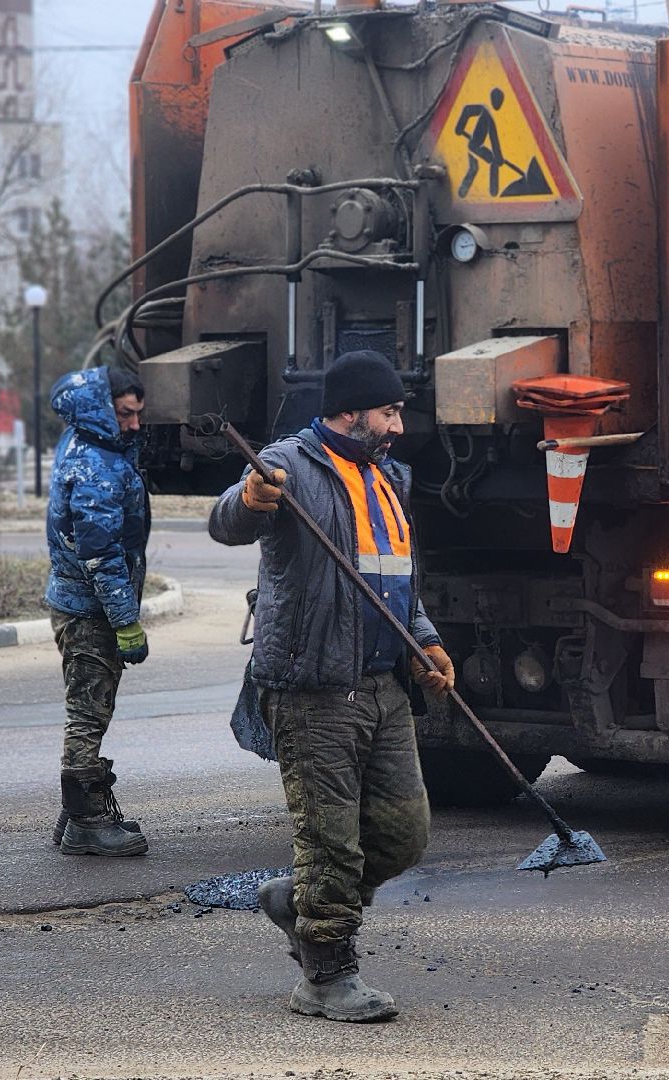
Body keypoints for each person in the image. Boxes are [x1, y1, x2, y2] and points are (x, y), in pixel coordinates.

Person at [210, 350, 456, 1023]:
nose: (398, 425)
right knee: (331, 844)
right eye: (389, 412)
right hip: (313, 690)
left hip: (382, 687)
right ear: (350, 411)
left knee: (405, 834)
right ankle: (325, 976)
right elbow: (229, 519)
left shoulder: (384, 477)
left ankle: (301, 902)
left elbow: (396, 577)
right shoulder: (290, 465)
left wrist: (425, 639)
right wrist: (251, 498)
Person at [44, 365, 152, 858]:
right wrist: (125, 620)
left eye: (138, 414)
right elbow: (101, 555)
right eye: (124, 414)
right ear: (100, 410)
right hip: (90, 611)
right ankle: (86, 820)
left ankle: (75, 816)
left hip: (78, 602)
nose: (133, 424)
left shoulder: (89, 445)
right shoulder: (96, 469)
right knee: (88, 712)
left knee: (88, 708)